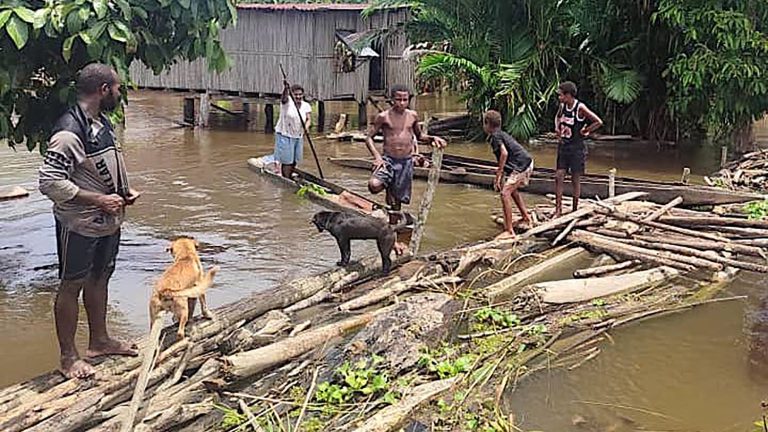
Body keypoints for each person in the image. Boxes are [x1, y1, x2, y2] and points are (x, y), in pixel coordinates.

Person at [38, 63, 141, 379]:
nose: (119, 93)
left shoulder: (101, 121)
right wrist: (98, 199)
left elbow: (102, 165)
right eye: (118, 88)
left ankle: (100, 340)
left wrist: (123, 191)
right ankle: (68, 357)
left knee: (101, 276)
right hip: (79, 223)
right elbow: (49, 182)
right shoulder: (70, 130)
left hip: (107, 221)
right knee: (72, 285)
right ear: (104, 90)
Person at [365, 85, 446, 251]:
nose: (401, 103)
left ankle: (392, 239)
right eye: (398, 99)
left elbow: (420, 136)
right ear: (392, 99)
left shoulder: (412, 116)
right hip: (388, 160)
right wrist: (377, 157)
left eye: (405, 99)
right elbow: (369, 138)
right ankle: (388, 187)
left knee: (397, 204)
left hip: (405, 162)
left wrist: (433, 138)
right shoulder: (384, 116)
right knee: (373, 185)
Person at [554, 81, 603, 217]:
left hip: (576, 148)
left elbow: (598, 121)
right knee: (558, 176)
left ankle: (574, 209)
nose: (559, 98)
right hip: (563, 146)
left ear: (569, 95)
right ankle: (558, 210)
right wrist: (557, 129)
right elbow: (557, 117)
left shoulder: (580, 108)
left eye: (561, 95)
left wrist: (586, 130)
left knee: (575, 179)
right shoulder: (562, 106)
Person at [483, 110, 534, 240]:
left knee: (505, 193)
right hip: (525, 162)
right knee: (512, 190)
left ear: (487, 124)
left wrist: (498, 174)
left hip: (522, 164)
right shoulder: (500, 134)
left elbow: (504, 154)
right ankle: (525, 217)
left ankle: (509, 230)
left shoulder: (495, 136)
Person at [275, 80, 311, 178]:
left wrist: (306, 128)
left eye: (300, 94)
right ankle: (286, 178)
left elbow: (308, 119)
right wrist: (286, 89)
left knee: (295, 159)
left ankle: (289, 175)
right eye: (296, 95)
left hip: (298, 135)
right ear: (292, 95)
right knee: (287, 160)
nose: (298, 97)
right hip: (285, 134)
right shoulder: (287, 103)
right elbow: (283, 99)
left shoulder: (306, 105)